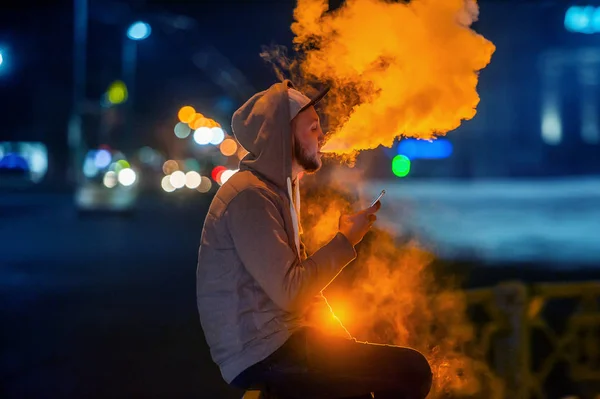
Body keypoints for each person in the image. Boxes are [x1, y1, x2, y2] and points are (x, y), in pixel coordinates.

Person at [196, 80, 432, 398]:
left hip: (282, 340)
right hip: (260, 352)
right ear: (282, 137)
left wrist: (344, 343)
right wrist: (346, 240)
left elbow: (305, 291)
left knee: (365, 383)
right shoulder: (250, 197)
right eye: (312, 128)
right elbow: (292, 291)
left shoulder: (276, 192)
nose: (322, 137)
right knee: (409, 371)